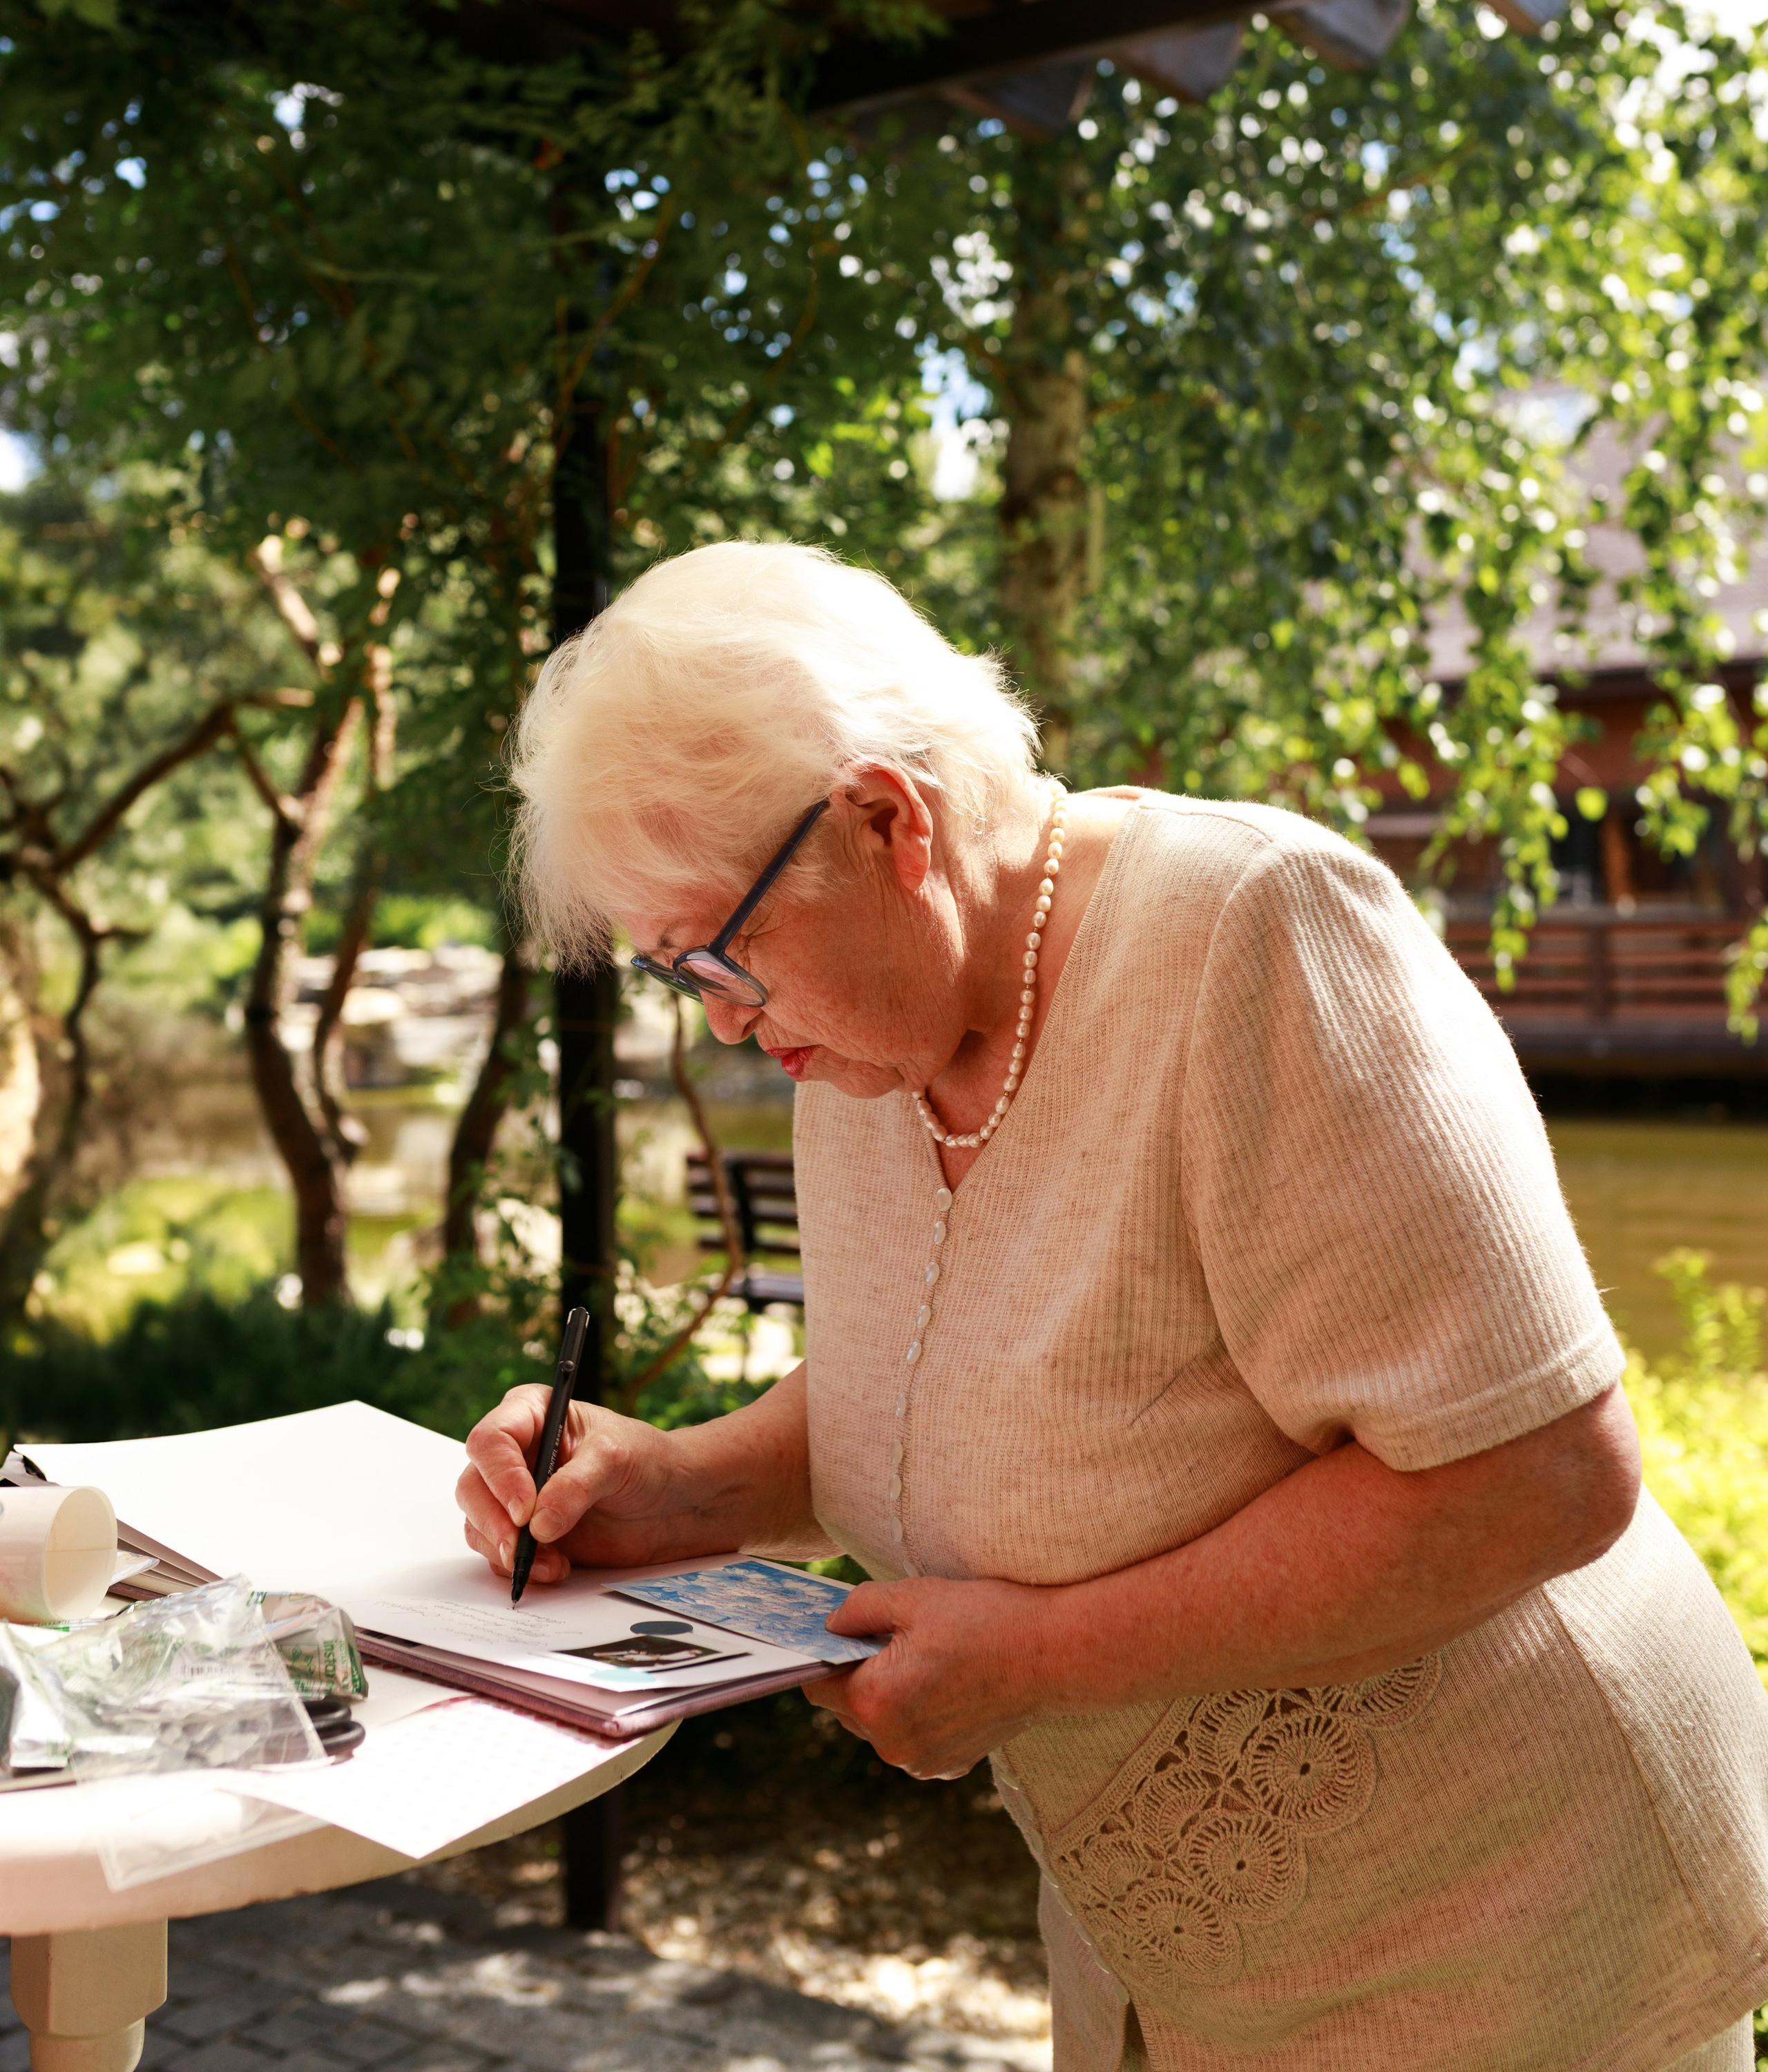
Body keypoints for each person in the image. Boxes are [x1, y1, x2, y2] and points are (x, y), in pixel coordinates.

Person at [457, 539, 1768, 2072]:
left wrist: (1040, 1656)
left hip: (1500, 1933)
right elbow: (972, 1366)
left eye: (714, 952)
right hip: (1169, 1949)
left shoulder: (1257, 935)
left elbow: (1539, 1474)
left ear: (887, 820)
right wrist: (677, 1484)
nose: (726, 1020)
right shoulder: (868, 1028)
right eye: (675, 974)